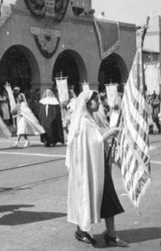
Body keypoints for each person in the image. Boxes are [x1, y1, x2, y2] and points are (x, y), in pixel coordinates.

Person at [66, 90, 127, 247]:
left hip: (97, 166)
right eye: (95, 100)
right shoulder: (84, 122)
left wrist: (106, 135)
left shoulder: (89, 119)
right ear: (87, 103)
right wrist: (108, 134)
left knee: (105, 197)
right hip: (89, 169)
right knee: (89, 196)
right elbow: (92, 143)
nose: (99, 102)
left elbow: (94, 140)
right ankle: (84, 231)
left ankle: (109, 233)